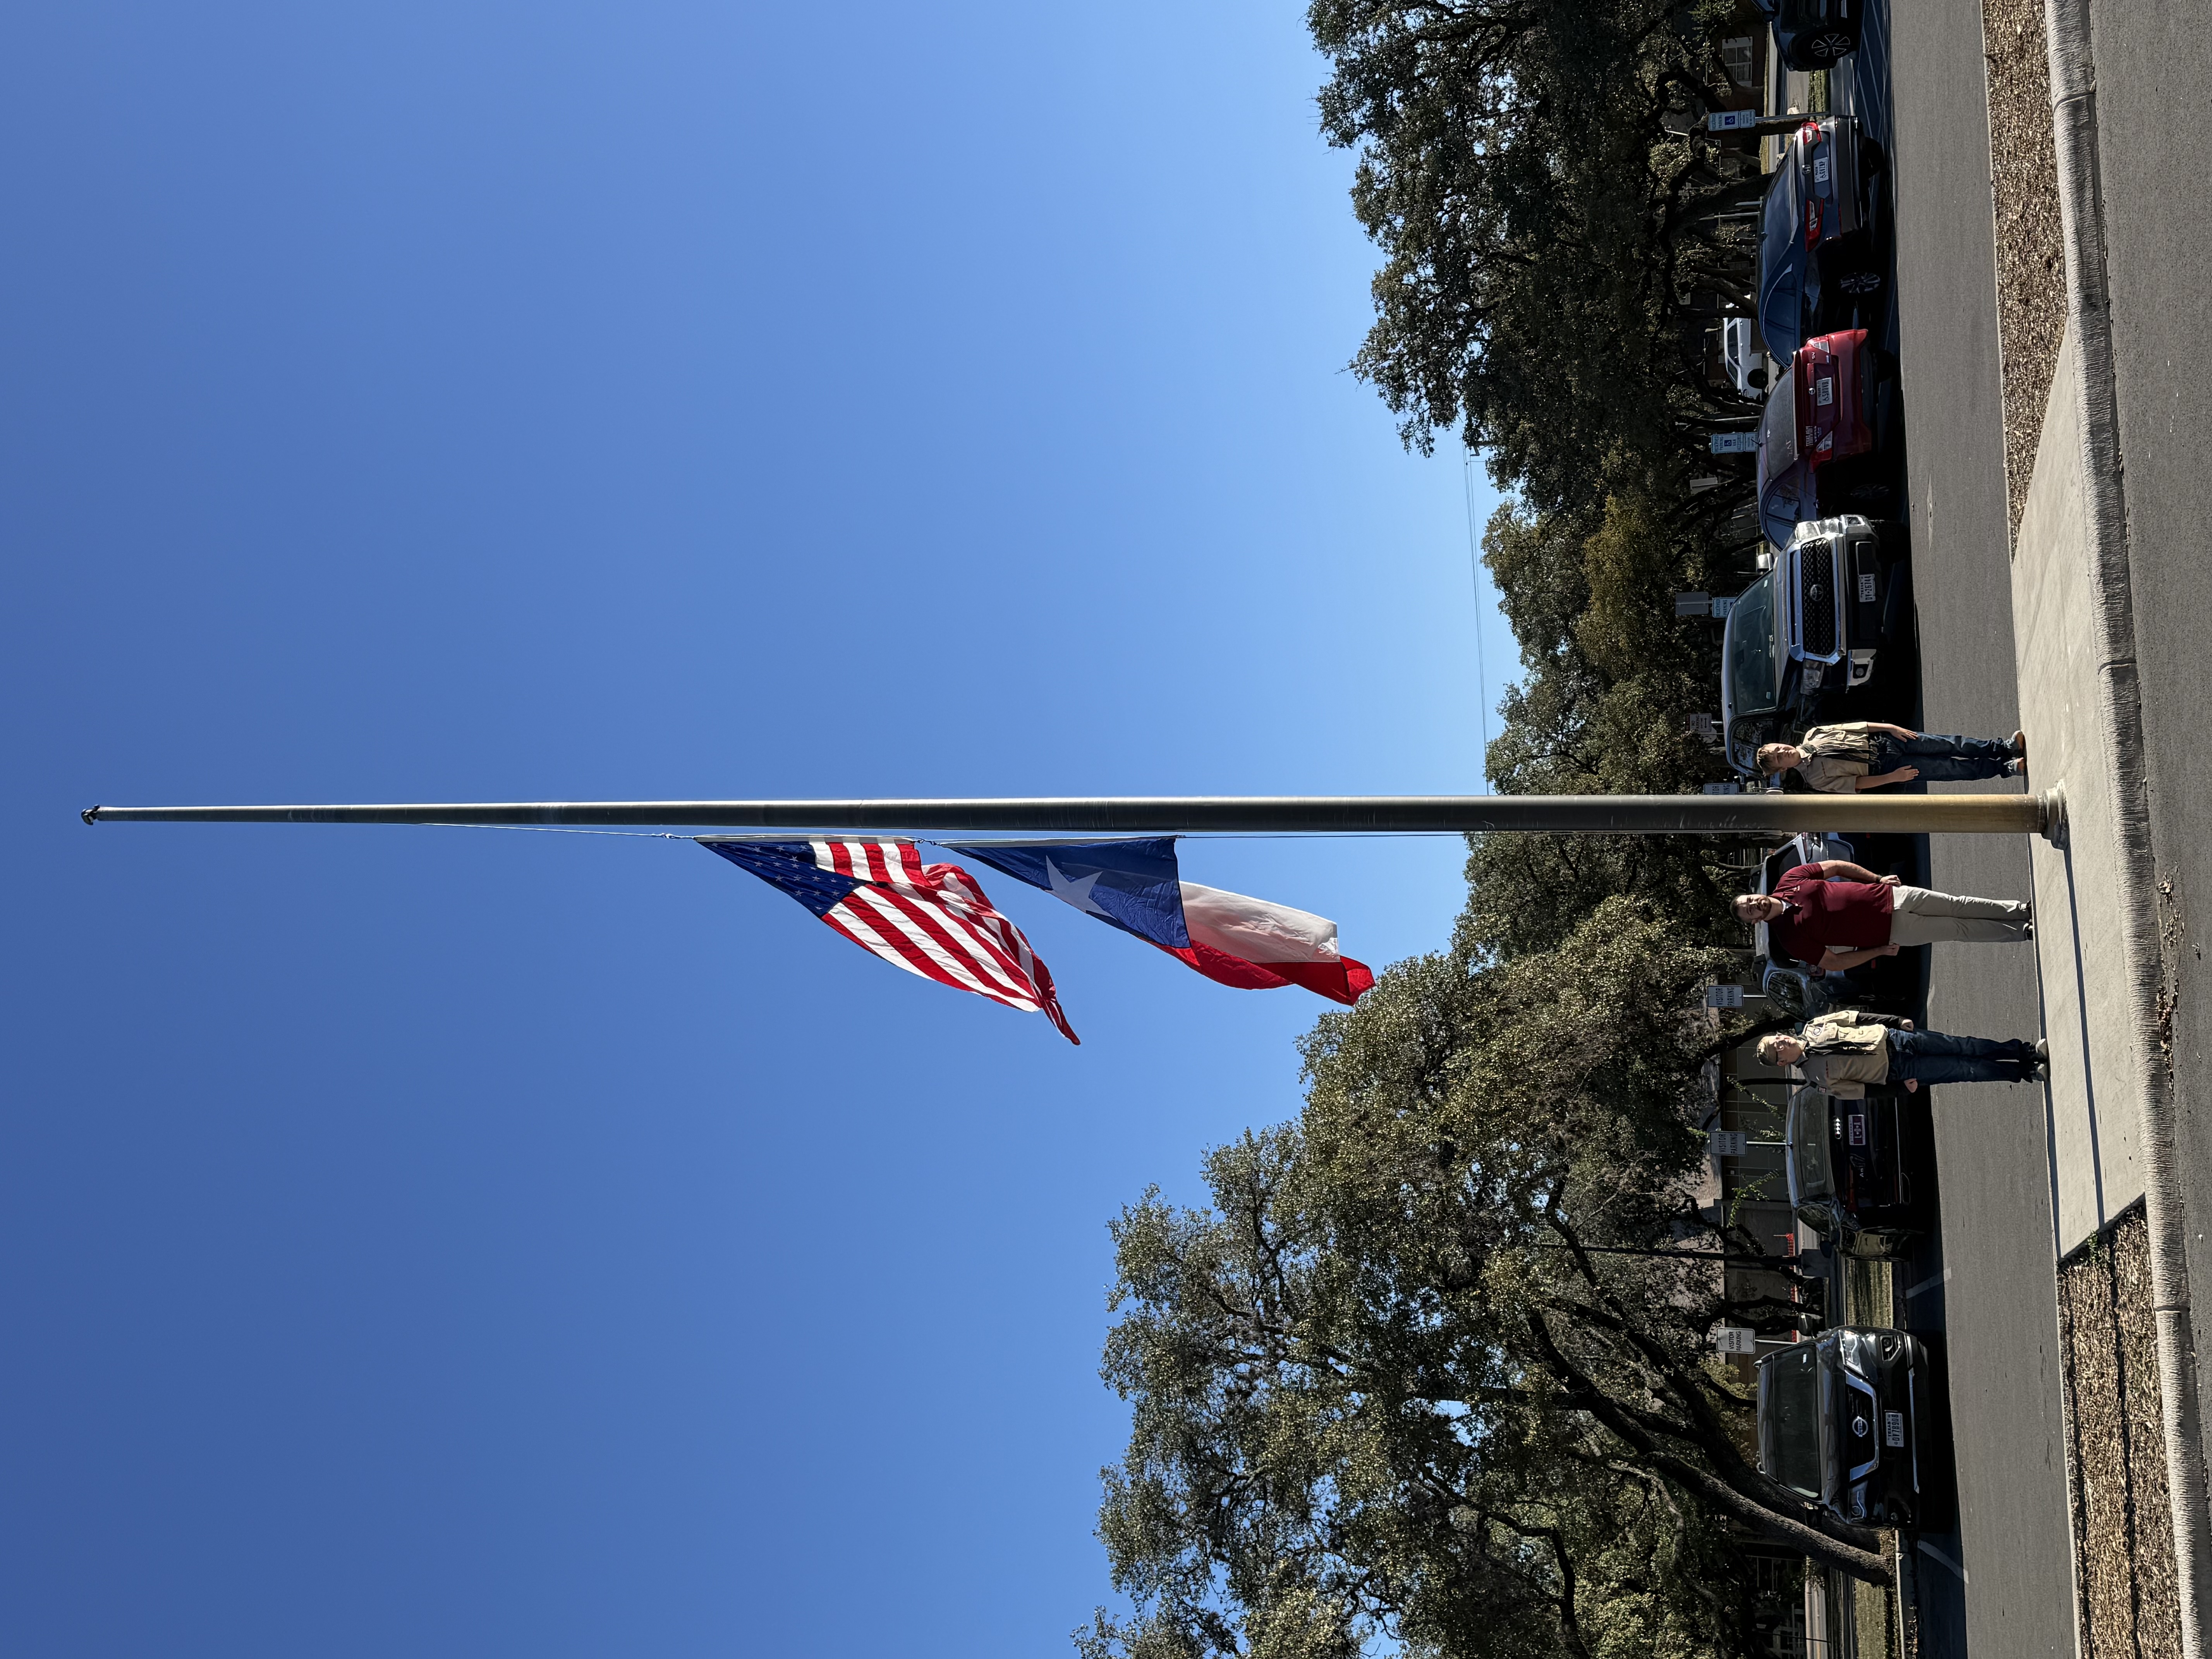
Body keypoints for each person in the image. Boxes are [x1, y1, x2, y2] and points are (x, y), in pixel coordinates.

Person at [1732, 857, 2030, 972]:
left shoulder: (1791, 879)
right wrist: (1878, 951)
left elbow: (1836, 866)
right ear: (1756, 921)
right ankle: (2021, 932)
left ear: (1754, 895)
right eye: (1749, 912)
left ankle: (2019, 910)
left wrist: (1876, 878)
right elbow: (1834, 963)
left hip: (1892, 894)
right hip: (1892, 931)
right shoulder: (1790, 939)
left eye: (1750, 901)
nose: (1754, 905)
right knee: (1957, 930)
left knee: (1957, 904)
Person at [1758, 1010, 2046, 1095]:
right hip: (1899, 1072)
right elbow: (1864, 1092)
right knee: (1964, 1070)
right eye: (1777, 1048)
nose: (1781, 1041)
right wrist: (1901, 1089)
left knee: (1963, 1045)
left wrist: (1895, 1022)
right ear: (1782, 1061)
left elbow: (1857, 1018)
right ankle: (2025, 1072)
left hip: (1896, 1039)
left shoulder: (1815, 1026)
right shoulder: (1817, 1080)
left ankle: (2026, 1050)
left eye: (1777, 1039)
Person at [1756, 722, 2027, 794]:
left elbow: (1859, 727)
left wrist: (1889, 728)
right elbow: (1857, 784)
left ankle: (2003, 747)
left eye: (1779, 749)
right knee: (1949, 768)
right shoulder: (1815, 779)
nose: (1783, 753)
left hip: (1887, 741)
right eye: (1779, 759)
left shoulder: (1815, 734)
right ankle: (2006, 768)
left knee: (1950, 743)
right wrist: (1892, 778)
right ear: (1782, 770)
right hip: (1887, 766)